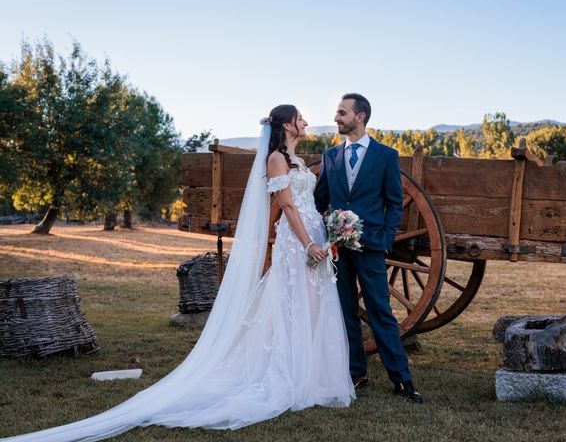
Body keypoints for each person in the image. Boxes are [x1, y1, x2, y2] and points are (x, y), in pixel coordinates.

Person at [4, 105, 354, 441]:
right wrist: (308, 243)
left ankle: (309, 373)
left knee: (311, 305)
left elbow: (307, 203)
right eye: (300, 117)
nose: (306, 121)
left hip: (315, 237)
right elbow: (287, 206)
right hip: (298, 243)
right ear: (287, 124)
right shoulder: (276, 159)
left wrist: (329, 230)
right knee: (288, 304)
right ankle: (284, 374)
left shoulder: (298, 160)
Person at [314, 93, 423, 403]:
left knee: (380, 312)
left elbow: (394, 203)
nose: (336, 118)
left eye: (341, 112)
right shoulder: (330, 156)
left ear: (359, 117)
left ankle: (401, 379)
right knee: (345, 312)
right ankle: (355, 373)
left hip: (371, 247)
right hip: (338, 251)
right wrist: (324, 230)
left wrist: (386, 238)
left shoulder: (386, 156)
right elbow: (320, 200)